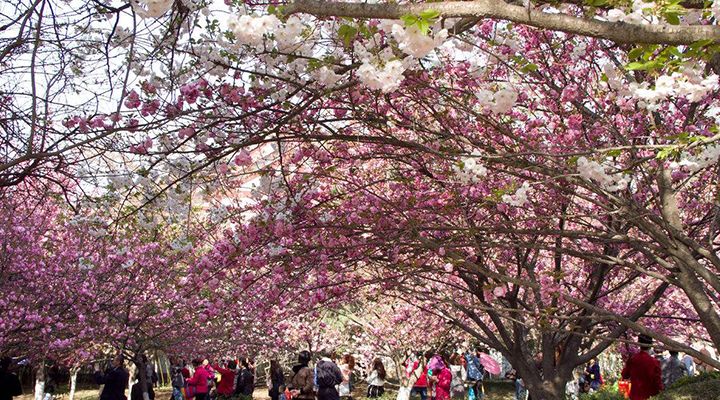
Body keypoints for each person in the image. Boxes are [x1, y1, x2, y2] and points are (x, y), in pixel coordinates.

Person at [621, 334, 663, 400]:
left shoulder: (632, 359)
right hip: (650, 396)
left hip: (635, 395)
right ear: (650, 345)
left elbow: (624, 375)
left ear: (639, 344)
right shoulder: (654, 362)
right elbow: (657, 381)